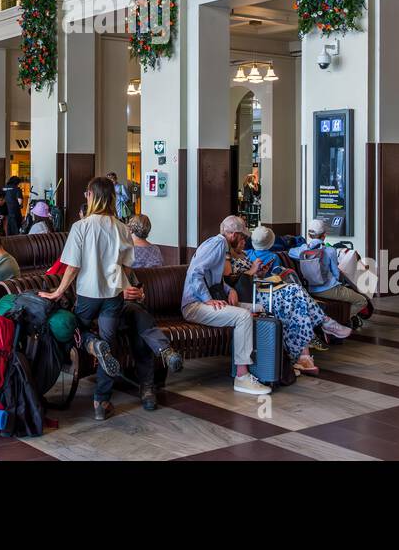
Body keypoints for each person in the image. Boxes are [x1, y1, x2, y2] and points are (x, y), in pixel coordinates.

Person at [42, 177, 183, 419]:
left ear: (91, 196)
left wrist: (58, 292)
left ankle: (95, 347)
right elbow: (127, 267)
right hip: (113, 296)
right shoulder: (121, 228)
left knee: (79, 329)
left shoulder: (81, 227)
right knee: (111, 342)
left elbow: (73, 266)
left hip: (88, 294)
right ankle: (101, 402)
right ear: (113, 198)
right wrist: (128, 283)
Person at [182, 216, 270, 395]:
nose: (243, 239)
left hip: (201, 302)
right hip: (194, 305)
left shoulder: (218, 244)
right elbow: (195, 273)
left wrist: (229, 289)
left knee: (258, 309)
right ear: (233, 234)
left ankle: (266, 365)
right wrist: (207, 299)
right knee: (243, 315)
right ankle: (242, 376)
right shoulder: (219, 244)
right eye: (241, 236)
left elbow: (214, 278)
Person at [247, 226, 351, 373]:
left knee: (298, 302)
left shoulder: (247, 254)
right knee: (296, 294)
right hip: (267, 295)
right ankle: (325, 323)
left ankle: (306, 355)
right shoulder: (273, 257)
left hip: (272, 295)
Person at [297, 219, 371, 325]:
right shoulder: (329, 251)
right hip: (328, 289)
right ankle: (337, 321)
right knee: (362, 300)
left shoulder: (301, 249)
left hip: (308, 288)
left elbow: (291, 252)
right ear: (324, 235)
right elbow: (336, 273)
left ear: (309, 235)